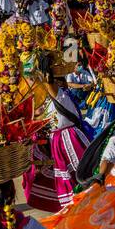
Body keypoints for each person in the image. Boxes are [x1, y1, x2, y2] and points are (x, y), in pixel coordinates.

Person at [23, 69, 91, 213]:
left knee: (78, 174)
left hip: (70, 140)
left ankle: (83, 203)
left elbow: (51, 86)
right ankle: (74, 205)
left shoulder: (61, 96)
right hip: (57, 140)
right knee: (65, 177)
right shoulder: (46, 100)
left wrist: (47, 77)